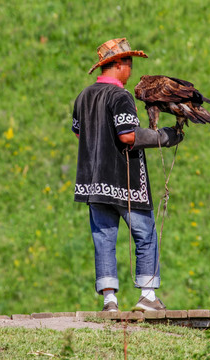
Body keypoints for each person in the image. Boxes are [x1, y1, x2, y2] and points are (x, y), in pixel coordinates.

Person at [71, 38, 183, 312]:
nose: (131, 70)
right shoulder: (121, 96)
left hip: (92, 184)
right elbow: (128, 135)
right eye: (129, 63)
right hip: (124, 181)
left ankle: (110, 301)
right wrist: (163, 137)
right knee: (145, 234)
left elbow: (78, 132)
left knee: (104, 240)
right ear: (118, 64)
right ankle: (148, 296)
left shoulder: (83, 96)